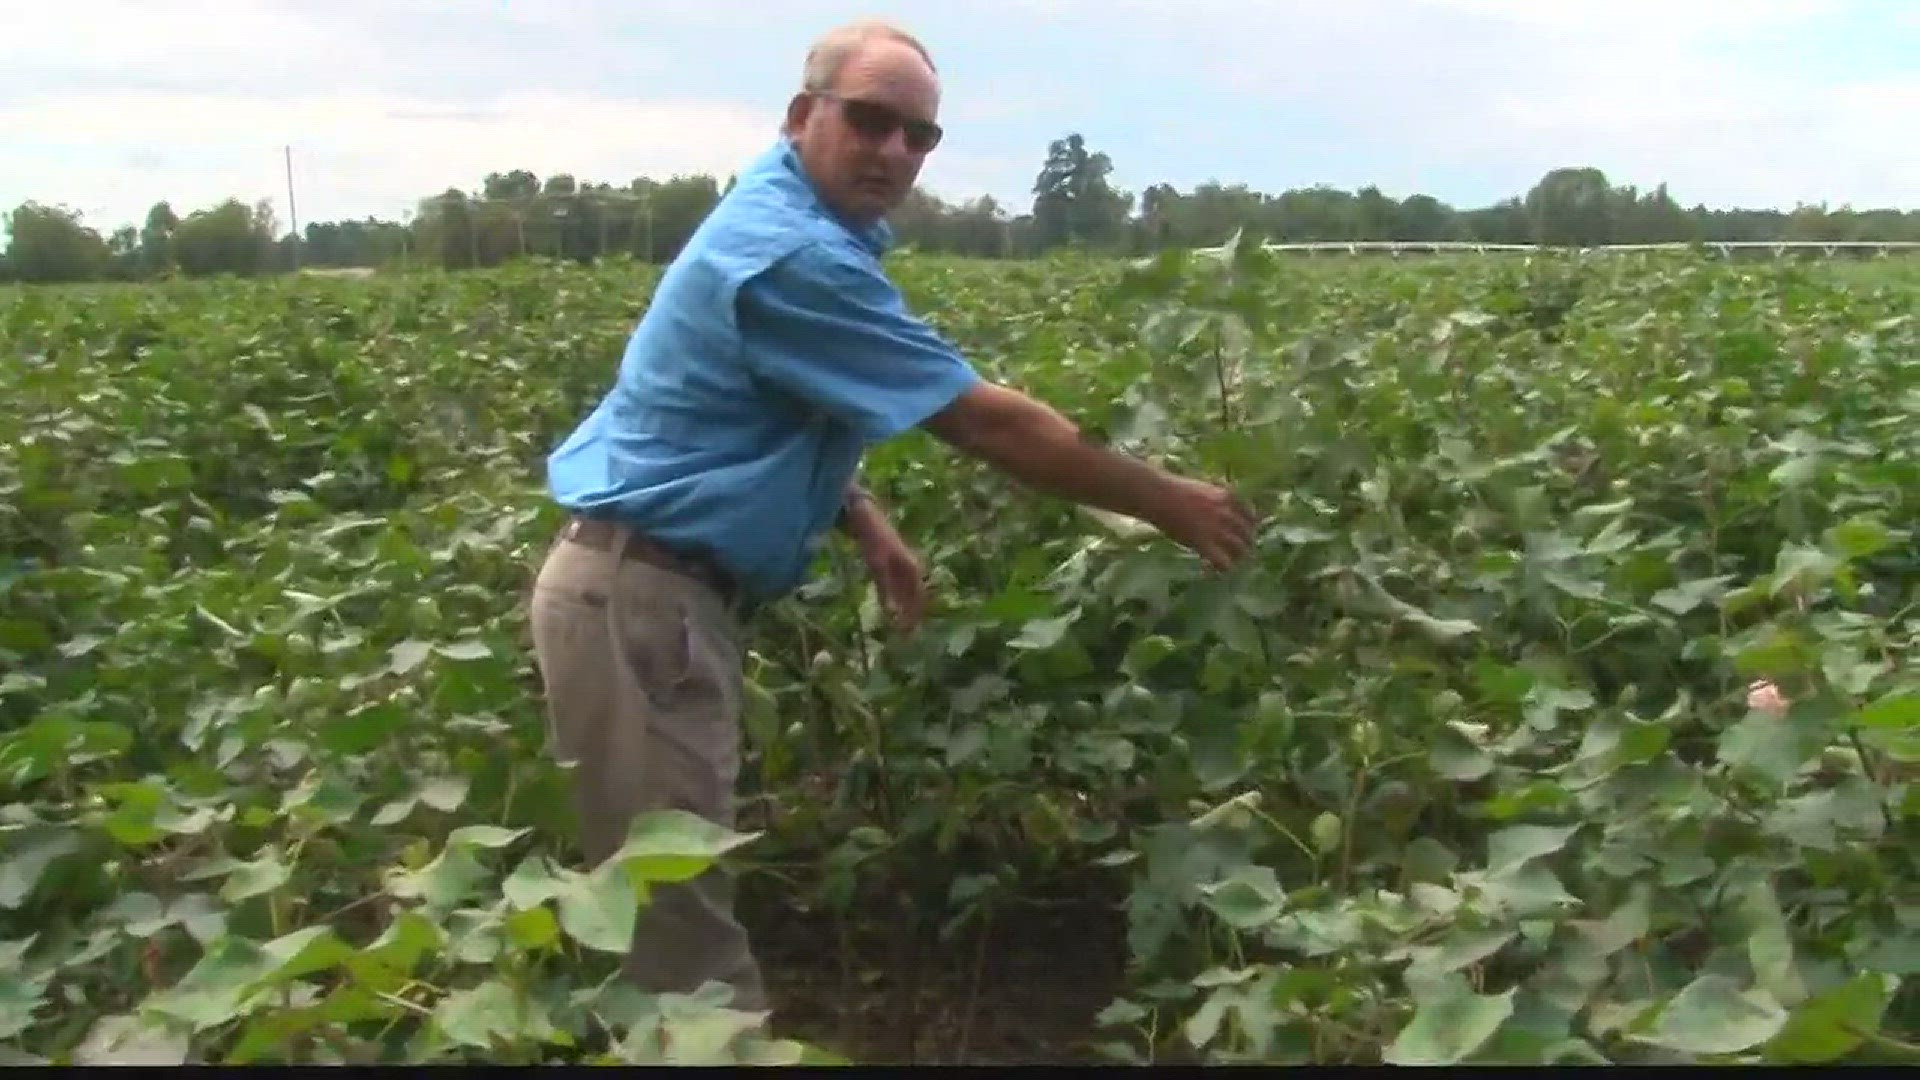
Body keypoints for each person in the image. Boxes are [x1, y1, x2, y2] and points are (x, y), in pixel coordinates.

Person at [527, 18, 1257, 1015]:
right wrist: (1165, 500)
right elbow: (981, 421)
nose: (896, 153)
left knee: (672, 901)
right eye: (871, 122)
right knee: (678, 942)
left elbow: (750, 407)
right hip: (640, 605)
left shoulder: (792, 223)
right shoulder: (791, 255)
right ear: (802, 115)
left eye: (921, 136)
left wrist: (860, 515)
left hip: (642, 594)